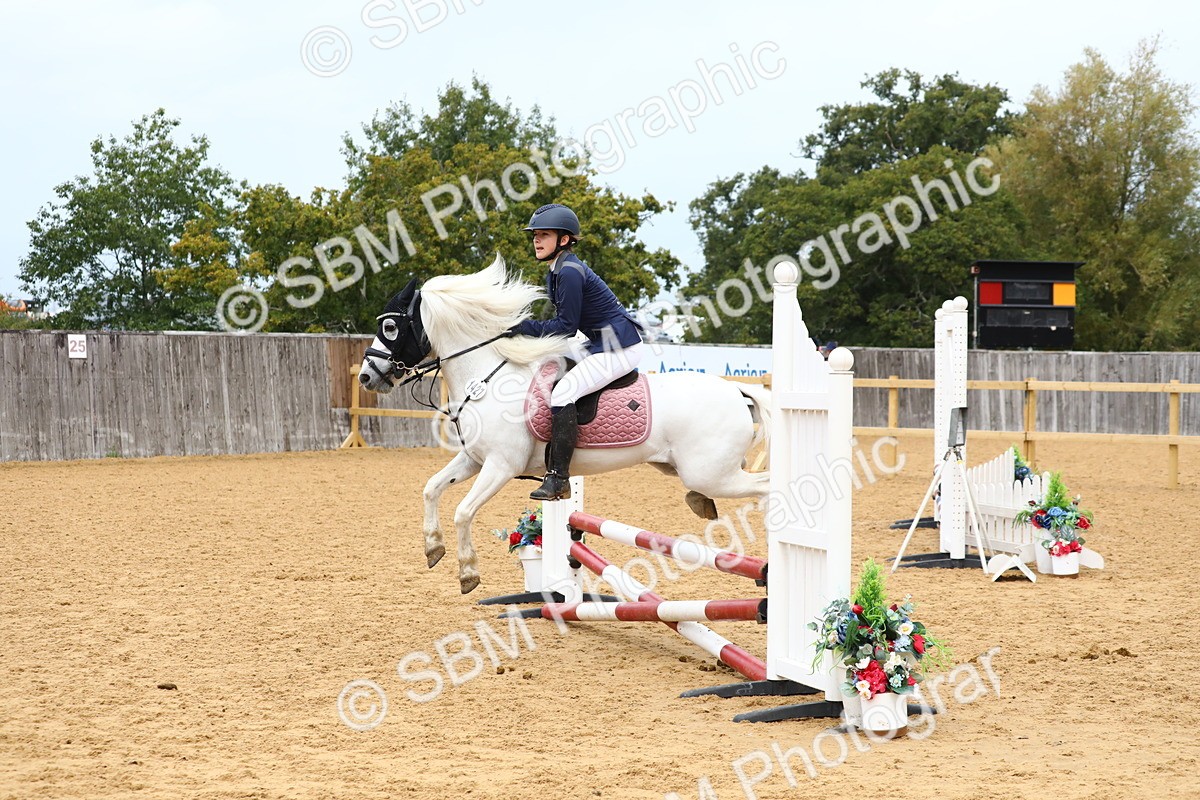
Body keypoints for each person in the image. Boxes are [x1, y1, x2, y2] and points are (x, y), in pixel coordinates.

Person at [508, 203, 645, 501]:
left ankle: (558, 478)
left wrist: (522, 327)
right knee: (550, 369)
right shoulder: (557, 270)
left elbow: (566, 327)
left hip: (618, 346)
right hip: (599, 342)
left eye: (544, 234)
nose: (536, 240)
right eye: (535, 235)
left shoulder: (569, 272)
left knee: (563, 393)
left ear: (565, 239)